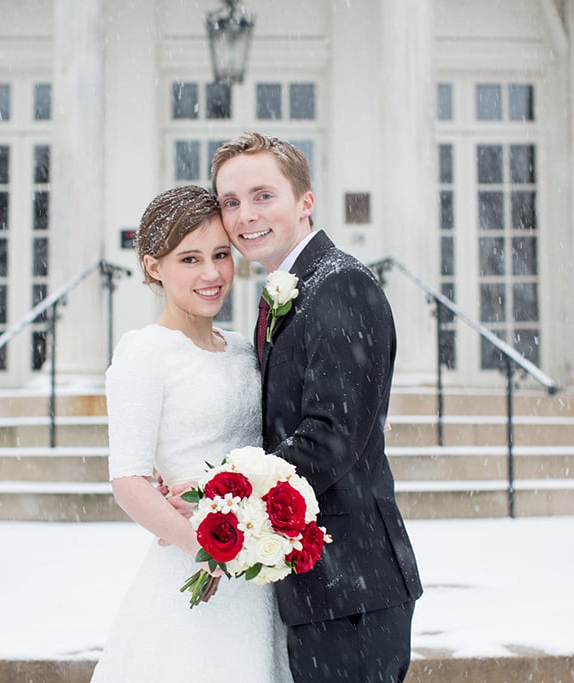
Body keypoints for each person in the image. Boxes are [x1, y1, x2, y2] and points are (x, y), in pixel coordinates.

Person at [210, 132, 424, 682]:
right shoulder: (293, 288)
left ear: (305, 202)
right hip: (319, 583)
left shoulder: (341, 285)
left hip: (352, 584)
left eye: (262, 196)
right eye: (230, 202)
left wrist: (227, 504)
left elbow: (329, 438)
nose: (244, 215)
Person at [90, 185, 292, 682]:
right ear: (153, 266)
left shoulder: (245, 348)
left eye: (221, 255)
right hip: (199, 567)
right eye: (190, 259)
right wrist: (205, 548)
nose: (212, 274)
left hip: (263, 572)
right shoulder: (144, 354)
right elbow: (130, 480)